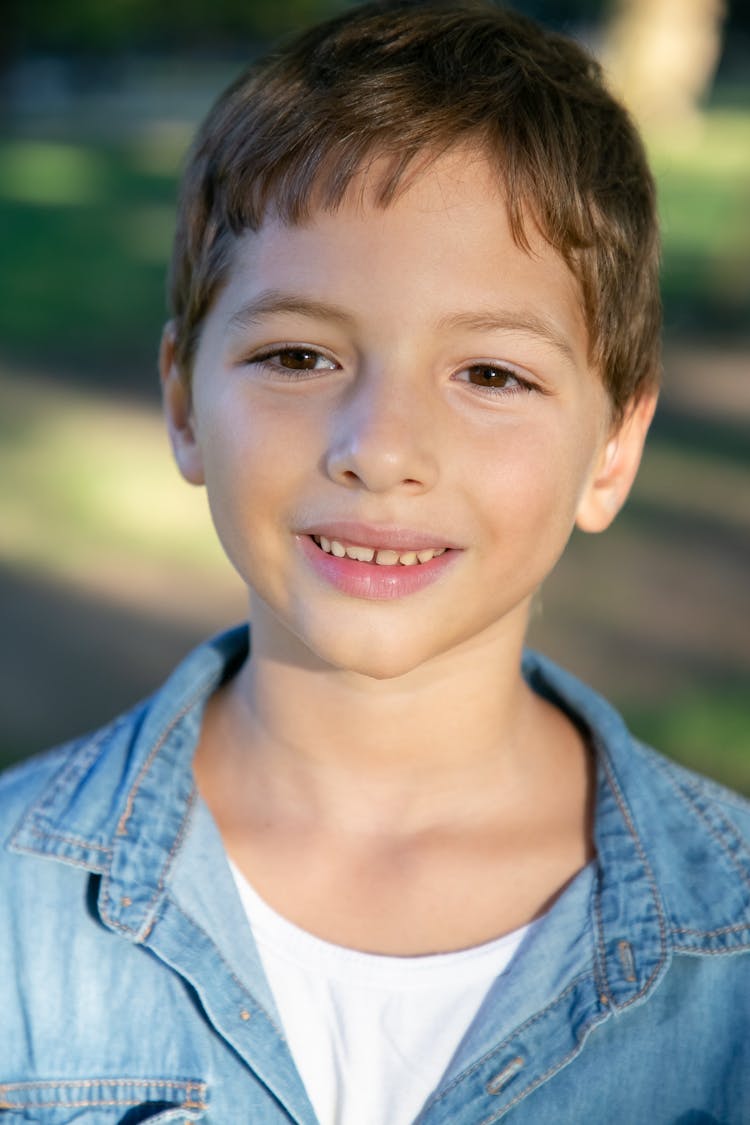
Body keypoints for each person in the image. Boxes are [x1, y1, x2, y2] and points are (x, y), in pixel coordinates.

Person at [1, 1, 748, 1121]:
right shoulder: (17, 913)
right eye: (297, 354)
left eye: (492, 375)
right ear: (183, 401)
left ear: (615, 448)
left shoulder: (731, 951)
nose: (382, 449)